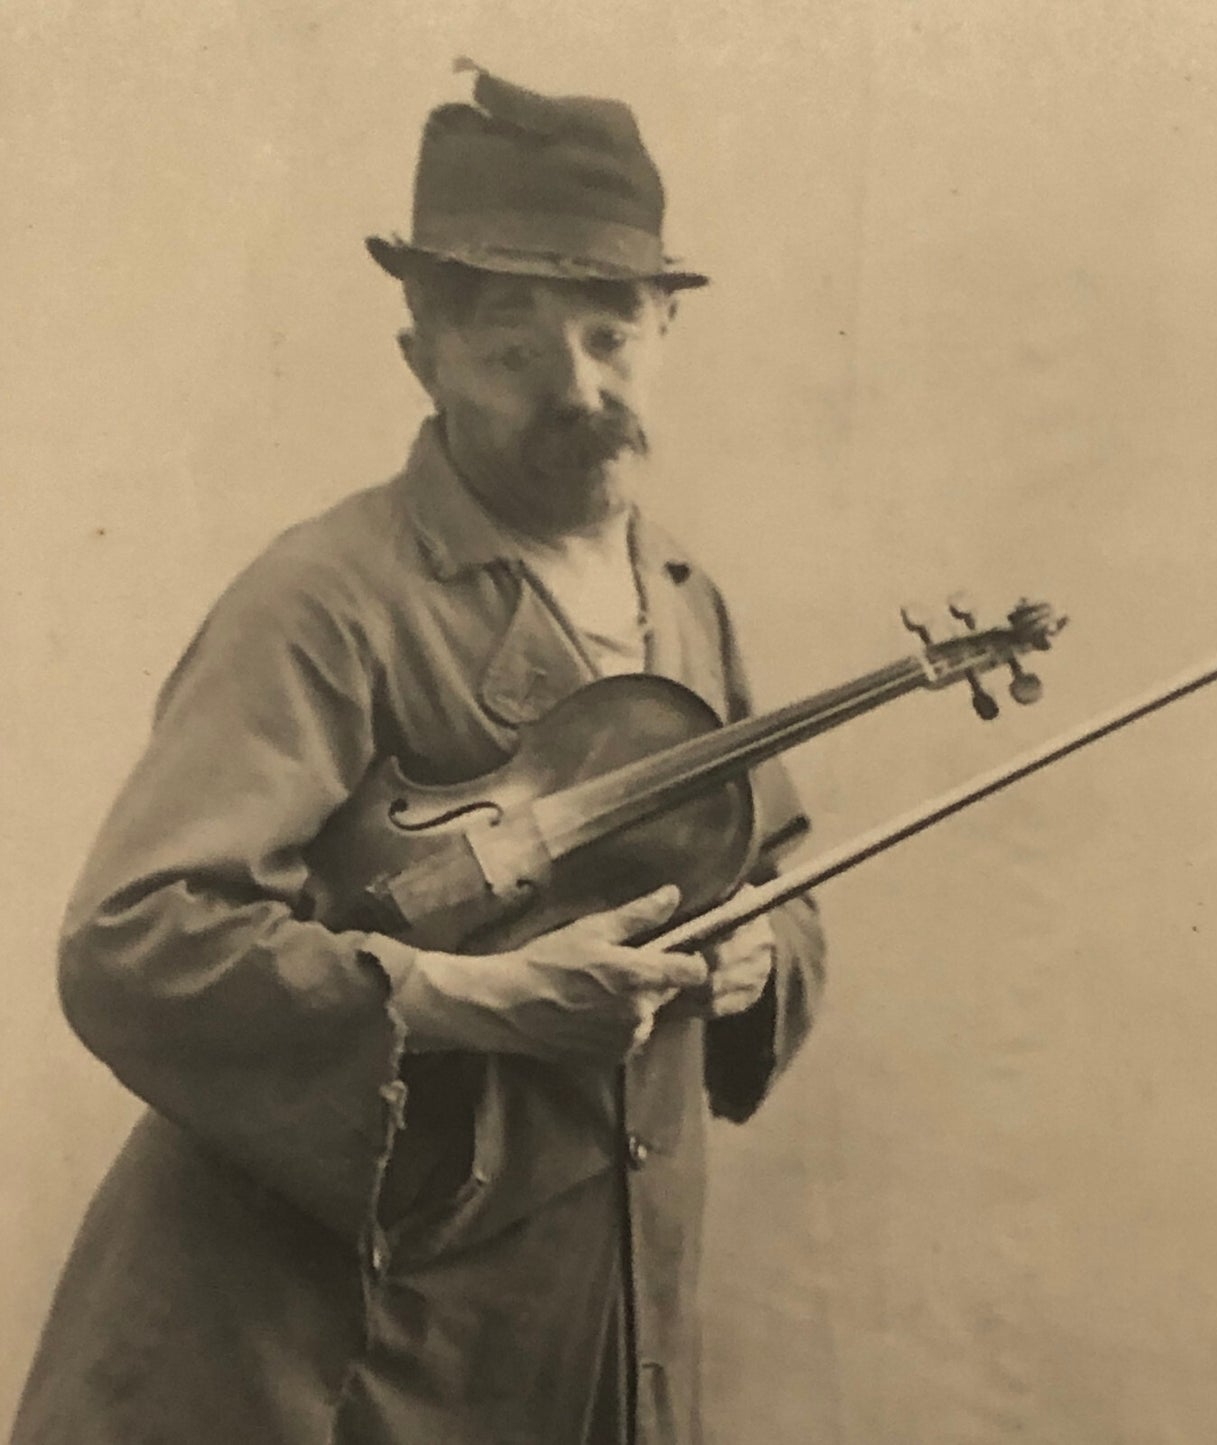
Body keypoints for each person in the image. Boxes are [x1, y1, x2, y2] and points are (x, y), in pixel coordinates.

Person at [12, 66, 825, 1445]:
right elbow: (132, 941)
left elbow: (783, 868)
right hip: (313, 1353)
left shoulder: (685, 599)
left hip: (568, 1333)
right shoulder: (326, 597)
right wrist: (461, 994)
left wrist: (755, 956)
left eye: (610, 335)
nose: (577, 388)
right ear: (423, 353)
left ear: (665, 329)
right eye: (513, 348)